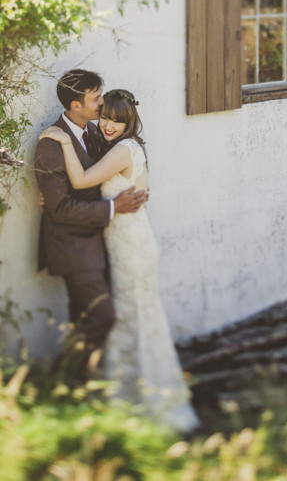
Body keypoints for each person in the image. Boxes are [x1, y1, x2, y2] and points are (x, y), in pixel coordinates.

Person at [39, 88, 200, 434]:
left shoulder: (124, 149)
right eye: (105, 117)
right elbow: (90, 186)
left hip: (131, 247)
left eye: (118, 120)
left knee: (130, 317)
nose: (109, 125)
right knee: (129, 318)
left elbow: (82, 179)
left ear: (130, 122)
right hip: (120, 243)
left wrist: (63, 142)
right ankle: (128, 395)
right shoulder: (115, 148)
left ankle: (139, 402)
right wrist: (51, 198)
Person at [35, 69, 146, 381]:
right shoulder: (51, 142)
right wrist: (114, 206)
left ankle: (78, 381)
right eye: (96, 98)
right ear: (75, 106)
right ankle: (61, 376)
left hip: (103, 242)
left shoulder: (97, 133)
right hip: (72, 246)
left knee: (81, 315)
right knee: (102, 315)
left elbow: (109, 175)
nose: (102, 104)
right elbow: (59, 208)